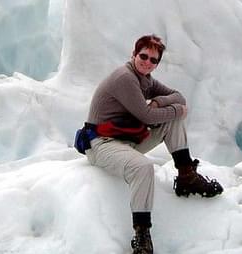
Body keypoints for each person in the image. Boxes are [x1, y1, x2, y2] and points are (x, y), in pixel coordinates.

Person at [83, 34, 223, 254]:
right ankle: (141, 234)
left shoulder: (145, 78)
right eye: (143, 56)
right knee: (143, 167)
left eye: (153, 60)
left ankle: (186, 177)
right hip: (101, 144)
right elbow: (147, 116)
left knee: (172, 119)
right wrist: (176, 109)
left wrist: (160, 102)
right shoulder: (125, 78)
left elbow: (178, 96)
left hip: (125, 140)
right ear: (134, 54)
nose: (147, 62)